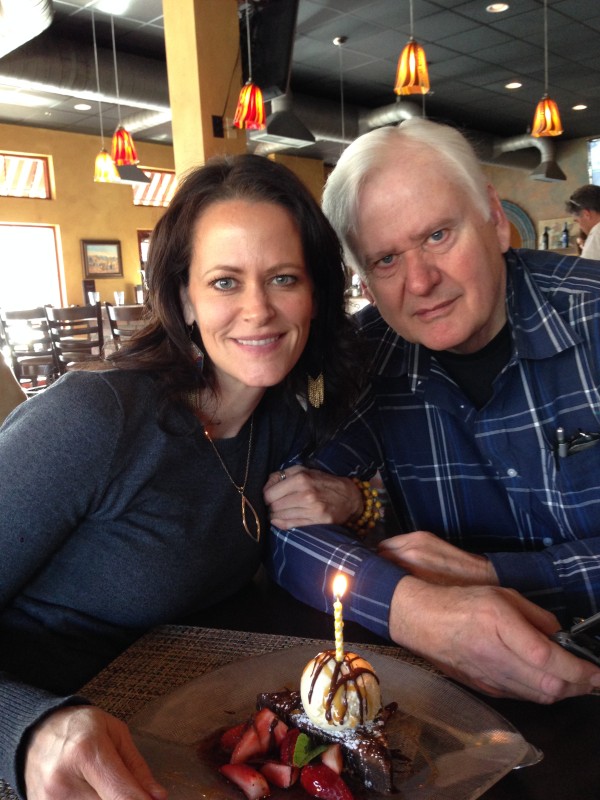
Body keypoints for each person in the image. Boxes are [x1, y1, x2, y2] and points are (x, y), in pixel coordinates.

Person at [0, 154, 360, 800]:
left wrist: (357, 498)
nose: (258, 309)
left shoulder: (282, 419)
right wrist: (23, 732)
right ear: (184, 298)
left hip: (170, 741)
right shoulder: (96, 418)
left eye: (283, 278)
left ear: (316, 294)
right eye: (225, 282)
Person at [265, 118, 600, 705]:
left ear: (494, 219)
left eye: (439, 235)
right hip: (468, 696)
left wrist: (495, 574)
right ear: (365, 280)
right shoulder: (369, 357)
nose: (419, 281)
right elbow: (286, 529)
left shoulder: (592, 318)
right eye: (386, 259)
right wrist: (412, 610)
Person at [566, 184, 600, 260]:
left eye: (577, 221)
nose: (580, 227)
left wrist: (590, 248)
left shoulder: (597, 233)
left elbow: (588, 267)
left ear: (586, 214)